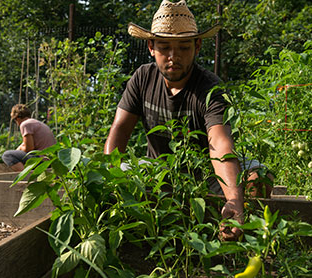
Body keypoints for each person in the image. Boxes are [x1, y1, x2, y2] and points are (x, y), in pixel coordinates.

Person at [104, 0, 273, 241]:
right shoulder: (142, 78)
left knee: (258, 179)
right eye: (165, 47)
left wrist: (235, 200)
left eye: (184, 47)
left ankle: (240, 240)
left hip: (208, 175)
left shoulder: (210, 88)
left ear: (197, 46)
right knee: (118, 171)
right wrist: (110, 180)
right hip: (159, 173)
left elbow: (220, 145)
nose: (174, 57)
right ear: (151, 47)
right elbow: (117, 136)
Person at [2, 104, 56, 172]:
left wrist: (20, 149)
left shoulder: (25, 124)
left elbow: (29, 148)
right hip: (51, 159)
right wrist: (18, 149)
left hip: (41, 159)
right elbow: (25, 143)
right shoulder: (37, 123)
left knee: (7, 155)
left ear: (17, 118)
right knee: (15, 154)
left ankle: (26, 176)